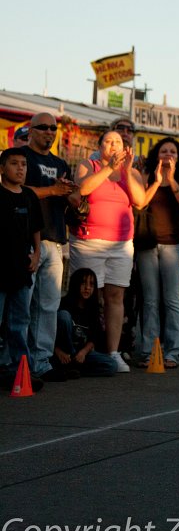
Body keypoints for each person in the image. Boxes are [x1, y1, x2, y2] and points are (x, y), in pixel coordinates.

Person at [72, 130, 148, 372]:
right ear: (100, 146)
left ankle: (113, 352)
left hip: (121, 244)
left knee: (115, 297)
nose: (114, 145)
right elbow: (82, 189)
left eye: (118, 142)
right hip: (89, 242)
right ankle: (83, 349)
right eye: (109, 141)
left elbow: (140, 201)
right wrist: (107, 169)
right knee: (89, 296)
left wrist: (125, 170)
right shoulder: (89, 164)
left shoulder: (131, 172)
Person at [20, 112, 75, 380]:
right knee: (22, 306)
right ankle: (15, 363)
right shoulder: (20, 158)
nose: (50, 132)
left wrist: (70, 193)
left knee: (48, 306)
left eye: (53, 128)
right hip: (26, 240)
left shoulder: (60, 162)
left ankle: (40, 362)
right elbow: (15, 189)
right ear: (31, 130)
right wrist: (52, 191)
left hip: (54, 239)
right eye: (43, 127)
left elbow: (70, 199)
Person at [137, 138, 179, 368]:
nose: (168, 155)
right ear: (156, 154)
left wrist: (171, 180)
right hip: (148, 244)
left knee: (171, 298)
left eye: (172, 151)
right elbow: (140, 203)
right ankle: (148, 350)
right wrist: (157, 181)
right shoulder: (146, 175)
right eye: (163, 151)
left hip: (174, 244)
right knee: (150, 300)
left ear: (178, 156)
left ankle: (173, 351)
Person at [0, 148, 43, 390]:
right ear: (2, 168)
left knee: (19, 323)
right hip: (1, 270)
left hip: (22, 271)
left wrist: (36, 254)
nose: (20, 168)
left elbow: (36, 228)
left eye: (24, 164)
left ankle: (21, 371)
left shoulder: (29, 196)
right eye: (14, 163)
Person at [52, 268, 118, 377]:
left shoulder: (93, 308)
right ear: (75, 284)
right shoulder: (63, 303)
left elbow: (94, 337)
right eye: (83, 283)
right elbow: (48, 332)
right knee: (63, 316)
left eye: (91, 284)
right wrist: (58, 351)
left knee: (111, 365)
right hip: (62, 353)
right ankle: (68, 367)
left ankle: (73, 369)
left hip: (81, 353)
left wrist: (83, 353)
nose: (87, 288)